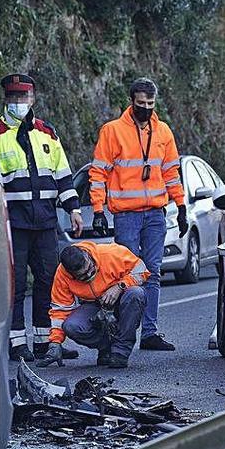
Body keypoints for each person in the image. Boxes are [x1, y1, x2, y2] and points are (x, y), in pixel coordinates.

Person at [89, 77, 187, 351]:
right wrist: (98, 209)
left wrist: (180, 206)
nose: (145, 108)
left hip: (156, 213)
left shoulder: (163, 131)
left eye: (150, 104)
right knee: (126, 273)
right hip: (127, 216)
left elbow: (170, 173)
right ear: (131, 101)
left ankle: (150, 333)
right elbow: (98, 173)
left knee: (153, 272)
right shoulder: (113, 131)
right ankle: (124, 334)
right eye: (141, 103)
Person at [0, 73, 83, 361]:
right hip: (13, 224)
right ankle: (17, 344)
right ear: (6, 99)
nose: (19, 102)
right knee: (16, 285)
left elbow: (63, 175)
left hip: (45, 222)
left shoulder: (47, 134)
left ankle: (45, 342)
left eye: (24, 96)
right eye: (14, 97)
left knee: (48, 281)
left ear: (32, 99)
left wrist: (74, 209)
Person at [37, 242, 148, 368]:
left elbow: (142, 270)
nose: (89, 276)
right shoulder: (62, 275)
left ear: (88, 256)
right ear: (71, 274)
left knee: (136, 293)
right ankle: (107, 347)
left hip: (121, 298)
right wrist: (55, 343)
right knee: (71, 326)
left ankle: (120, 352)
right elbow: (60, 311)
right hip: (93, 306)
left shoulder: (110, 253)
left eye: (90, 269)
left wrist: (120, 286)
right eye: (82, 276)